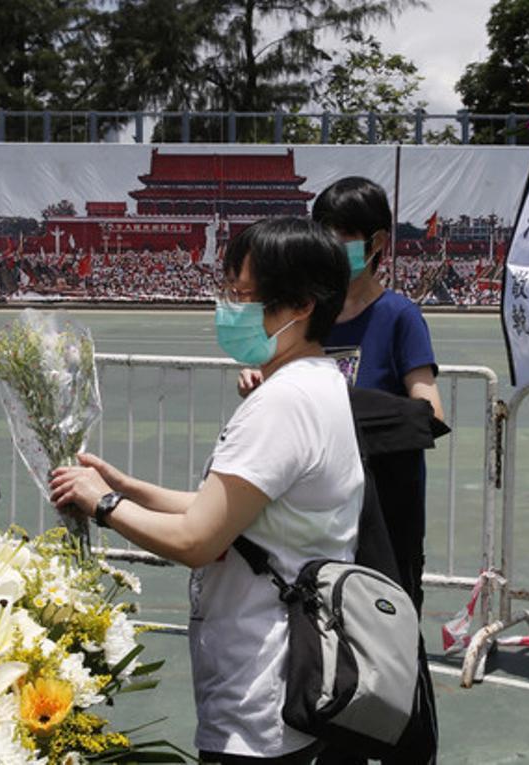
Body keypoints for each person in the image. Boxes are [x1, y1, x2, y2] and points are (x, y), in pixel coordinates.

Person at [50, 217, 362, 764]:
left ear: (302, 305)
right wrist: (127, 487)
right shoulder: (321, 383)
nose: (230, 307)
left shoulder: (282, 402)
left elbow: (198, 539)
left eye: (244, 295)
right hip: (291, 679)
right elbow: (233, 515)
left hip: (260, 688)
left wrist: (102, 504)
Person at [239, 176, 443, 614]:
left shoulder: (400, 317)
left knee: (383, 631)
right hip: (312, 512)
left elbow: (428, 411)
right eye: (323, 233)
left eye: (343, 235)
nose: (330, 246)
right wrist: (261, 385)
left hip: (382, 514)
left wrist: (338, 410)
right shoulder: (306, 314)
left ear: (377, 242)